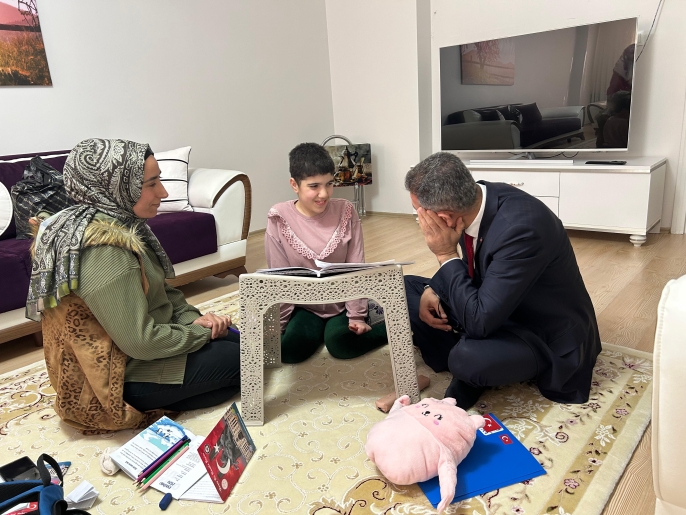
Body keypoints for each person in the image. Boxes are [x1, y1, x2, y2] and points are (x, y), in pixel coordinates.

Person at [28, 138, 240, 432]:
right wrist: (200, 333)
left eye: (159, 180)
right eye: (151, 184)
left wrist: (195, 320)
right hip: (116, 378)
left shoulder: (120, 223)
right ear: (116, 186)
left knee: (234, 338)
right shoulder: (106, 250)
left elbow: (163, 291)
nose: (163, 193)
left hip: (135, 352)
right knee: (244, 357)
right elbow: (140, 342)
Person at [403, 152, 601, 409]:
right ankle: (462, 355)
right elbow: (479, 270)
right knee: (406, 287)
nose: (419, 220)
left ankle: (464, 359)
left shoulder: (522, 229)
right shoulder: (476, 199)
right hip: (495, 303)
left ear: (445, 218)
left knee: (467, 358)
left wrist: (445, 255)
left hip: (538, 331)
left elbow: (480, 322)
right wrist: (435, 288)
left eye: (419, 213)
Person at [264, 142, 387, 363]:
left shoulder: (346, 211)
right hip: (304, 307)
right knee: (289, 350)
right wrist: (278, 327)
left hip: (341, 305)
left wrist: (357, 316)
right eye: (314, 186)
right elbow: (280, 278)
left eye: (329, 184)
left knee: (341, 345)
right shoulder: (279, 217)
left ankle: (396, 326)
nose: (324, 194)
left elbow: (356, 267)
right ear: (294, 185)